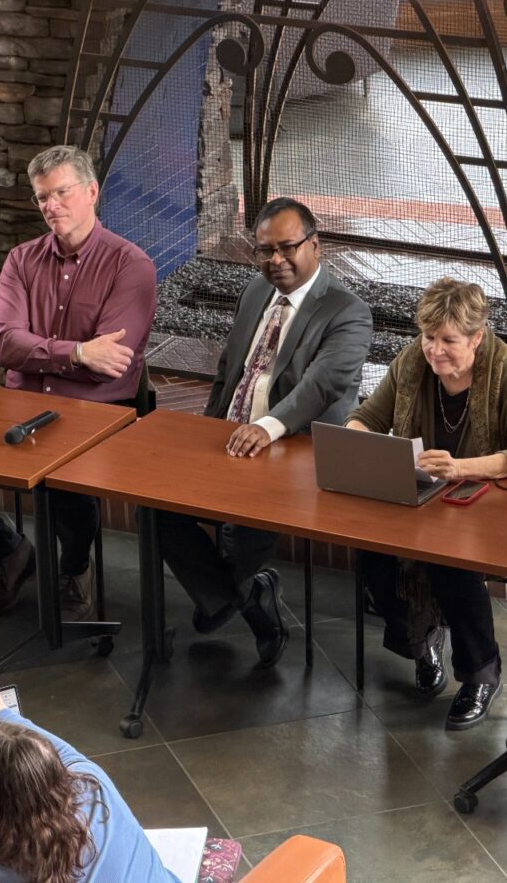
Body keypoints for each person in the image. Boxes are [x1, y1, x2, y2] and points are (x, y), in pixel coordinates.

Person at [0, 145, 157, 619]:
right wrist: (79, 351)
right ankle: (9, 551)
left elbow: (114, 364)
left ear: (90, 192)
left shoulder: (132, 266)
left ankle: (76, 566)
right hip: (19, 408)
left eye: (61, 193)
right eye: (42, 197)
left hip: (96, 413)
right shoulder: (21, 260)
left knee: (62, 481)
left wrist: (43, 353)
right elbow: (5, 345)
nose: (51, 206)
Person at [155, 198, 373, 668]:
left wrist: (267, 428)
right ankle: (250, 597)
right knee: (155, 507)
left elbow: (321, 386)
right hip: (230, 437)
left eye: (287, 248)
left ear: (316, 246)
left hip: (295, 452)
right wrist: (207, 432)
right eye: (264, 250)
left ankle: (234, 594)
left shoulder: (348, 312)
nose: (275, 260)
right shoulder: (254, 291)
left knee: (243, 534)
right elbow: (228, 369)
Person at [346, 279, 507, 730]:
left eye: (448, 341)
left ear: (477, 337)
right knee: (373, 550)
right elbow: (368, 417)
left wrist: (461, 468)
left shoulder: (506, 368)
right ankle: (422, 639)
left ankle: (479, 674)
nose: (434, 350)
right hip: (425, 494)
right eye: (428, 337)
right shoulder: (413, 361)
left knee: (453, 560)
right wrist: (355, 441)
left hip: (488, 498)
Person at [0, 686, 176, 883]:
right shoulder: (93, 783)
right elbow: (57, 747)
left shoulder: (3, 868)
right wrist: (1, 715)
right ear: (53, 762)